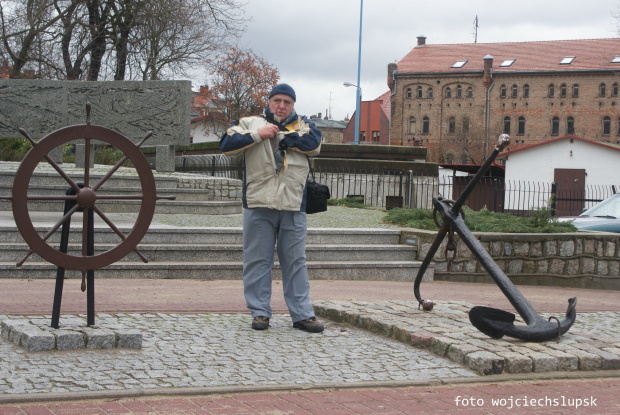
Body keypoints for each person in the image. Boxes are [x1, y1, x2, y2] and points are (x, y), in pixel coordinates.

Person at [219, 83, 325, 333]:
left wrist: (281, 136)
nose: (281, 105)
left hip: (293, 203)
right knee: (257, 260)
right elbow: (226, 144)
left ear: (293, 105)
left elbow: (315, 144)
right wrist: (258, 134)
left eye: (287, 102)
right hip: (258, 202)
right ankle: (260, 313)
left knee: (296, 261)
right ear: (268, 102)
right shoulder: (248, 122)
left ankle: (302, 314)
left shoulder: (304, 125)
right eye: (277, 100)